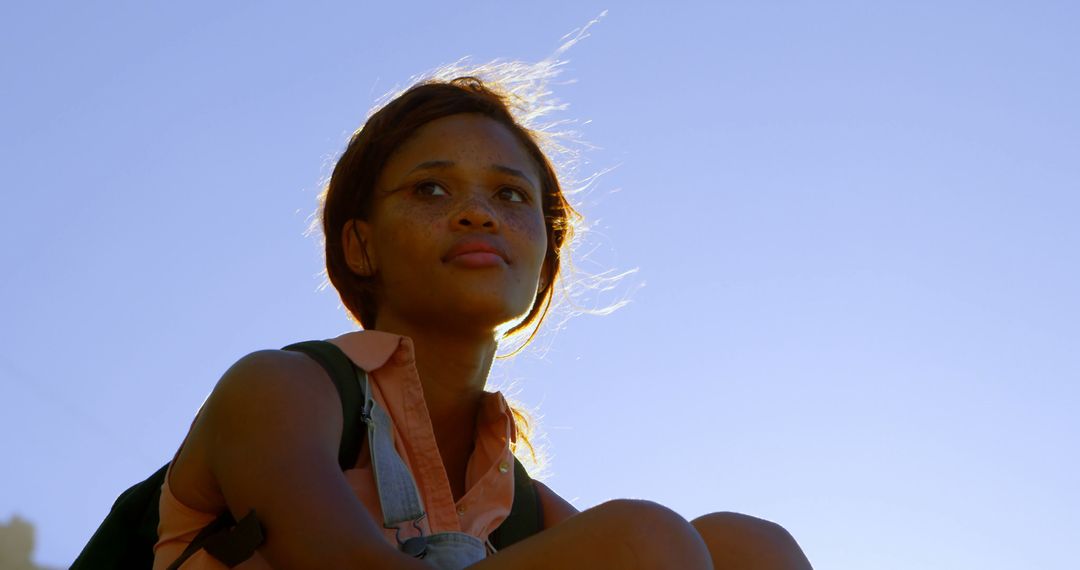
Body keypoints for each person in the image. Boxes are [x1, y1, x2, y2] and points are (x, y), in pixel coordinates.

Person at [154, 70, 814, 569]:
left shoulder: (519, 504)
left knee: (751, 547)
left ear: (545, 250)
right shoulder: (281, 388)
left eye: (509, 194)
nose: (479, 214)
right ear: (361, 244)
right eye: (431, 189)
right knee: (644, 540)